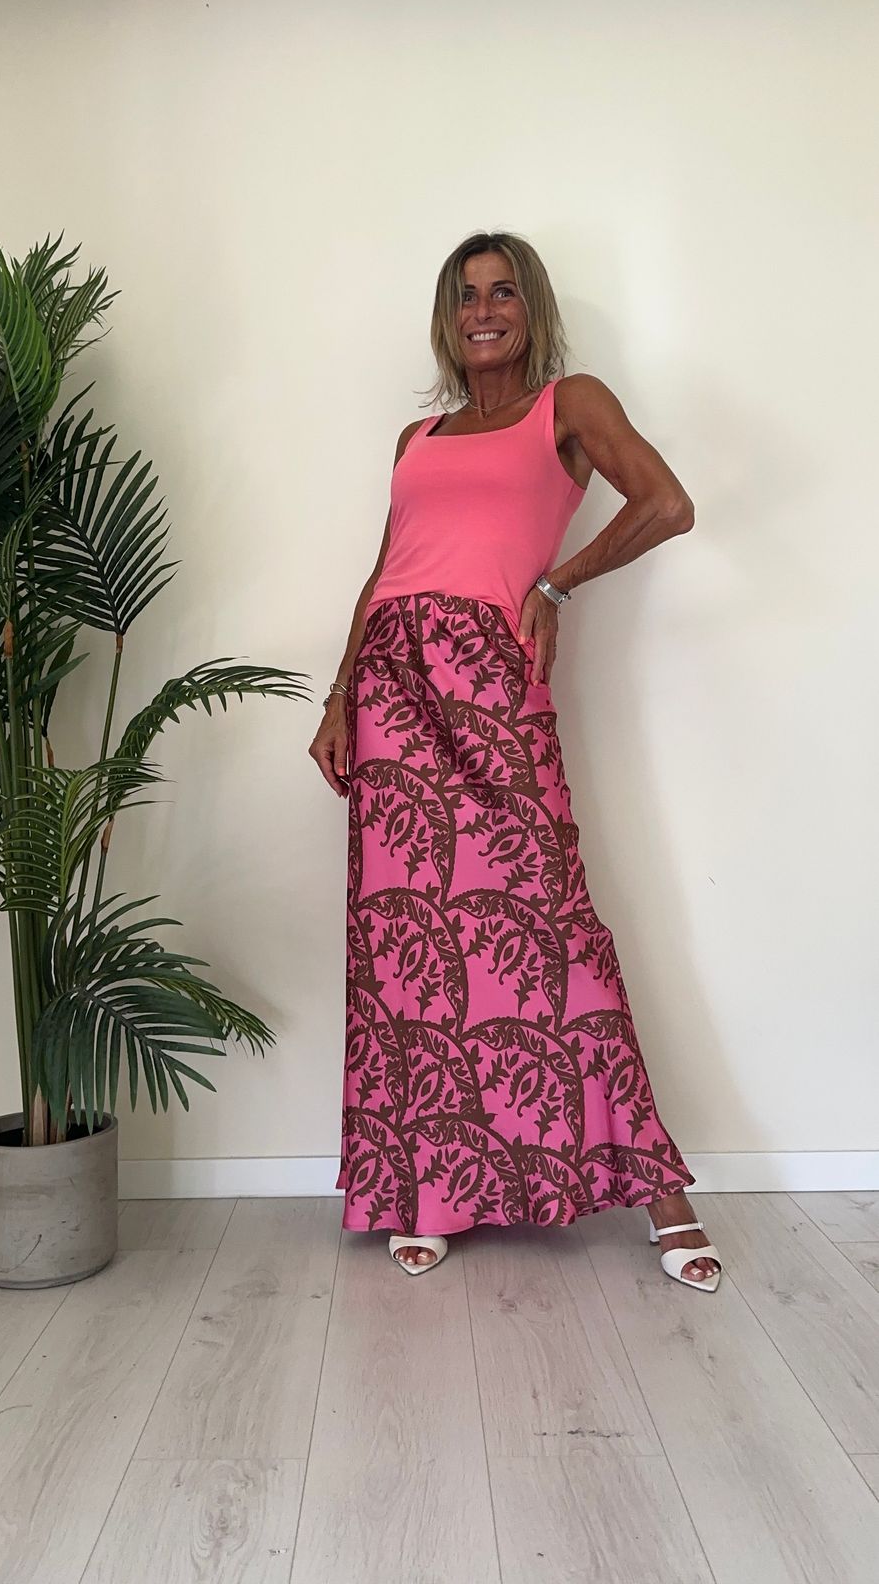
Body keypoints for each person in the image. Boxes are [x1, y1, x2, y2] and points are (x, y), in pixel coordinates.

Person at [309, 230, 722, 1293]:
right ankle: (425, 1186)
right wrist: (340, 694)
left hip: (487, 679)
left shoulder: (566, 405)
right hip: (391, 686)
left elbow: (666, 504)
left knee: (550, 923)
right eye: (464, 296)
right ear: (446, 319)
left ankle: (659, 1191)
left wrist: (555, 583)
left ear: (530, 308)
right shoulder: (417, 436)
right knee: (407, 941)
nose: (482, 310)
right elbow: (383, 574)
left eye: (500, 292)